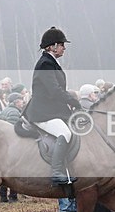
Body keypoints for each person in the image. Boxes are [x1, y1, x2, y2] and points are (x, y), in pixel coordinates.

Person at [26, 26, 82, 186]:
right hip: (42, 113)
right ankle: (56, 171)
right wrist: (74, 102)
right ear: (52, 46)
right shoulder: (45, 64)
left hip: (52, 110)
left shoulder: (51, 62)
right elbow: (54, 90)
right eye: (62, 44)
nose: (64, 48)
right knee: (64, 133)